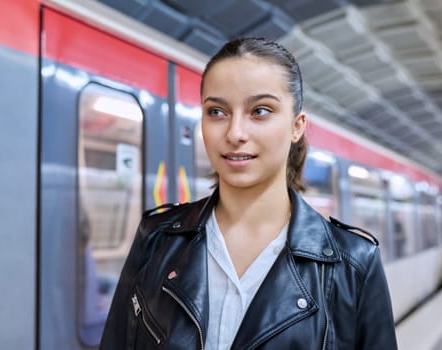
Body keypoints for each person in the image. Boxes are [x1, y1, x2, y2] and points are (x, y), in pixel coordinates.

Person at [100, 37, 398, 349]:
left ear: (297, 126)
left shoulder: (352, 264)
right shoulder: (157, 239)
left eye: (260, 111)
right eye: (217, 112)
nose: (235, 133)